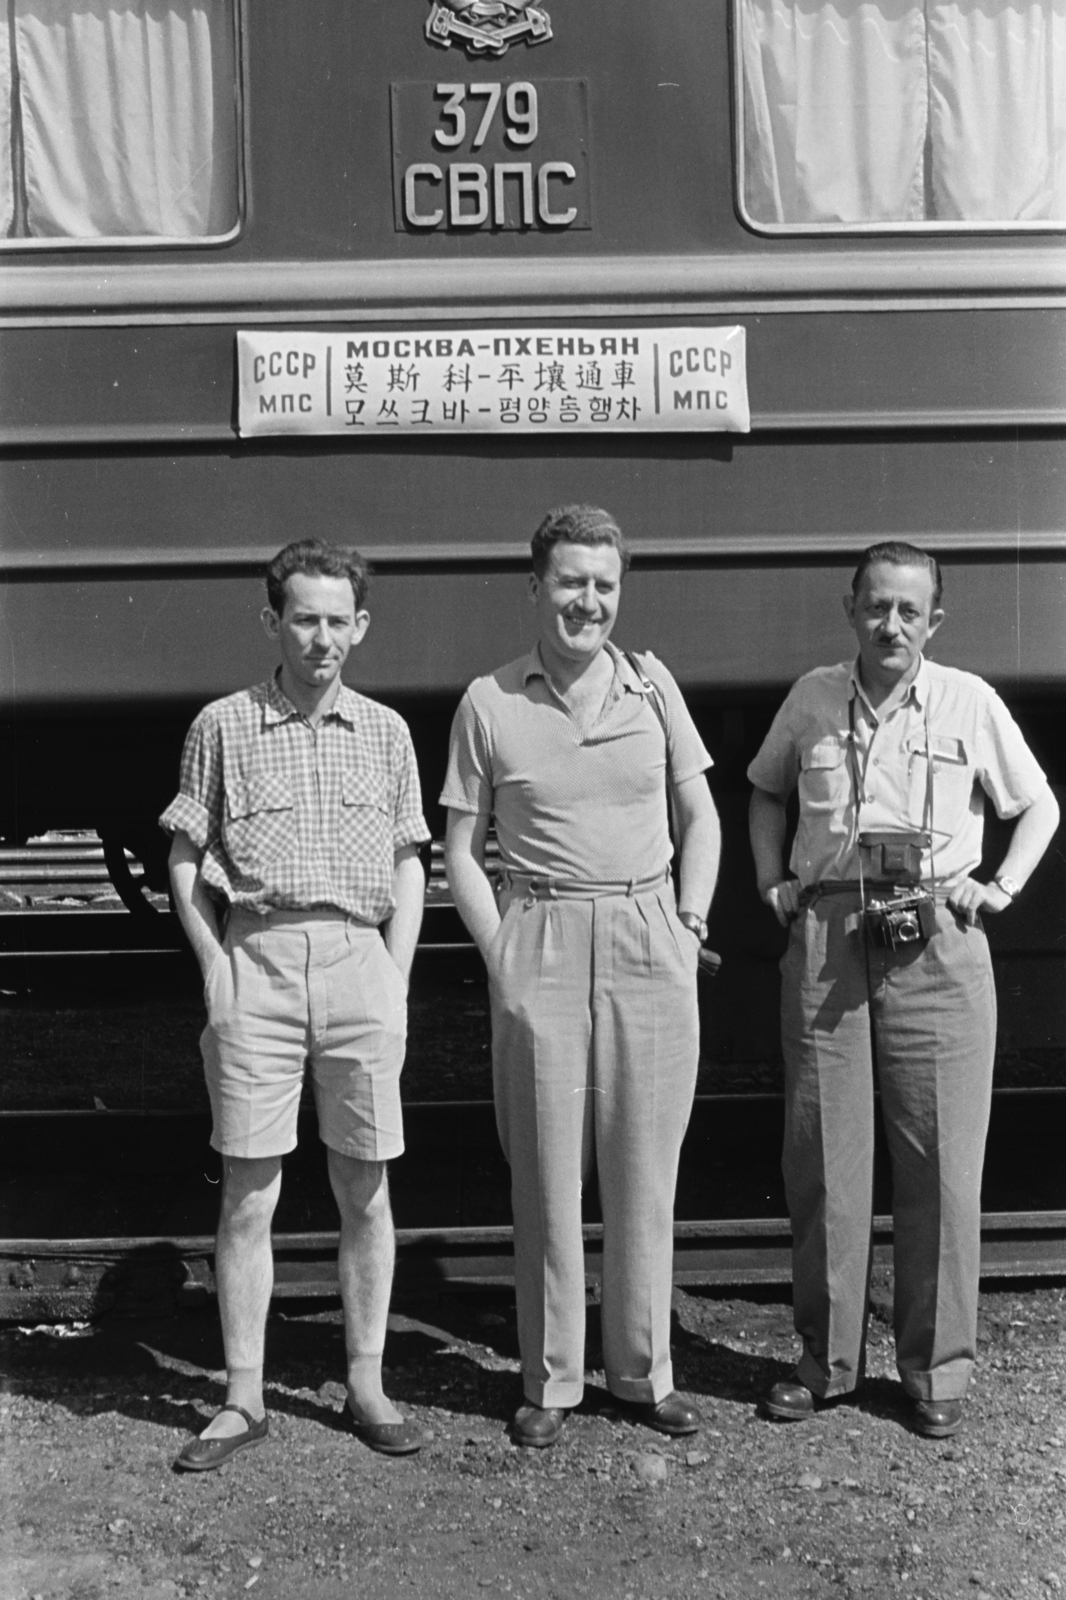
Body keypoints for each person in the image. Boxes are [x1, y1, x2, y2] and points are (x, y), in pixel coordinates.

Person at [748, 541, 1059, 1438]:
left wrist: (996, 889)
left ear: (935, 621)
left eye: (909, 612)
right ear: (851, 609)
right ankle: (825, 1363)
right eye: (877, 607)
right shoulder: (811, 697)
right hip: (828, 940)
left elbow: (1037, 804)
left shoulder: (971, 701)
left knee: (943, 1168)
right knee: (823, 1165)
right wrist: (771, 880)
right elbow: (766, 791)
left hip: (938, 939)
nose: (892, 625)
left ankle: (936, 1372)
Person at [442, 505, 721, 1448]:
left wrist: (689, 923)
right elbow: (460, 847)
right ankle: (553, 1380)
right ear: (535, 589)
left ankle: (643, 1374)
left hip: (650, 932)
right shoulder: (490, 701)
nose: (588, 602)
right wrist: (502, 957)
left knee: (647, 1168)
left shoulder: (653, 686)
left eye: (604, 585)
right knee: (549, 1175)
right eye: (570, 583)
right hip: (544, 939)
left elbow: (701, 814)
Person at [161, 538, 430, 1469]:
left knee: (366, 1186)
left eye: (337, 621)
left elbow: (408, 858)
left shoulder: (388, 732)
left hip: (360, 963)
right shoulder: (223, 726)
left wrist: (394, 973)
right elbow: (188, 859)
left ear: (361, 626)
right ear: (272, 621)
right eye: (303, 618)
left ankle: (366, 1379)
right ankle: (242, 1396)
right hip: (258, 965)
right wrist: (214, 964)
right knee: (250, 1192)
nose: (321, 639)